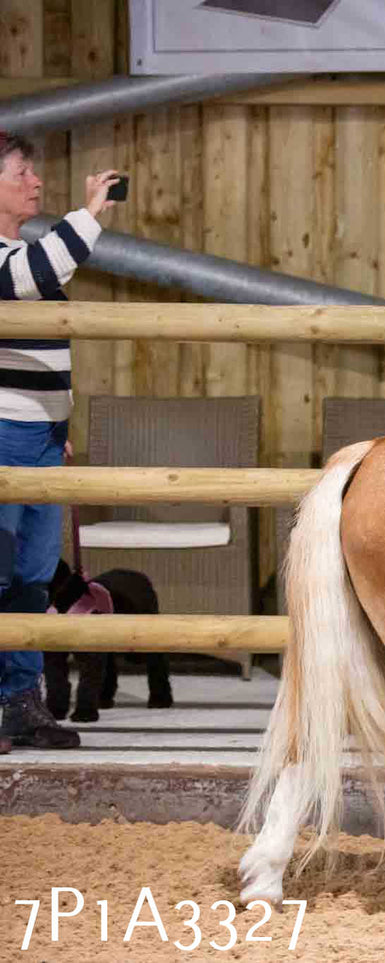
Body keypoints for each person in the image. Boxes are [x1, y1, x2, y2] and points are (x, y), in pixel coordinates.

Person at [0, 129, 121, 752]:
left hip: (39, 435)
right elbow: (33, 273)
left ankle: (20, 704)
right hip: (5, 434)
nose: (36, 182)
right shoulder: (9, 261)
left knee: (33, 578)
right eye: (22, 172)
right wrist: (89, 212)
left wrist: (59, 429)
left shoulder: (14, 254)